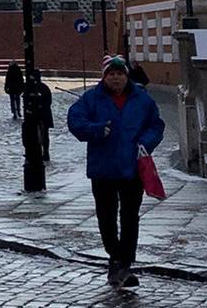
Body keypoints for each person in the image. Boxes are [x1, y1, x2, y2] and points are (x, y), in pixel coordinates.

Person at [67, 56, 166, 289]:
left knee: (131, 217)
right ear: (104, 76)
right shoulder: (92, 98)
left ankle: (125, 263)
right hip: (103, 169)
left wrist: (146, 143)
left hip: (133, 168)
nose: (115, 78)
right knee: (106, 217)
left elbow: (156, 125)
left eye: (120, 73)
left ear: (126, 75)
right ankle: (115, 256)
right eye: (111, 74)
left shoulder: (141, 98)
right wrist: (97, 130)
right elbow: (75, 121)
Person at [24, 68, 54, 163]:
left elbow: (48, 101)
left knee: (43, 135)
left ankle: (44, 152)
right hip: (40, 115)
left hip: (41, 115)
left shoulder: (40, 88)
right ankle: (44, 152)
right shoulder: (43, 87)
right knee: (42, 135)